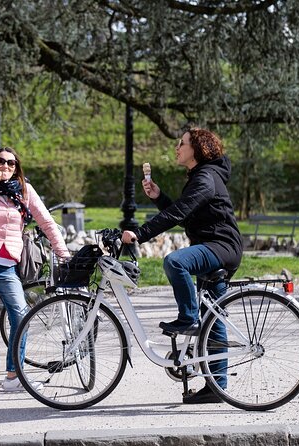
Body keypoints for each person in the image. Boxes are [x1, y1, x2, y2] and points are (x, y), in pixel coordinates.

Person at [121, 128, 243, 404]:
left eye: (182, 143)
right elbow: (184, 214)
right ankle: (217, 387)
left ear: (197, 150)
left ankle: (188, 318)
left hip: (219, 247)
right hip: (218, 246)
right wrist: (159, 197)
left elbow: (179, 213)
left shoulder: (206, 177)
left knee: (175, 261)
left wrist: (139, 233)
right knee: (215, 317)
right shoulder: (202, 177)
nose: (177, 147)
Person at [0, 147, 70, 394]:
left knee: (21, 316)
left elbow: (46, 222)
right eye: (1, 162)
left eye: (11, 164)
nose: (6, 167)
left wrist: (63, 253)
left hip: (6, 265)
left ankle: (13, 375)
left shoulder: (24, 190)